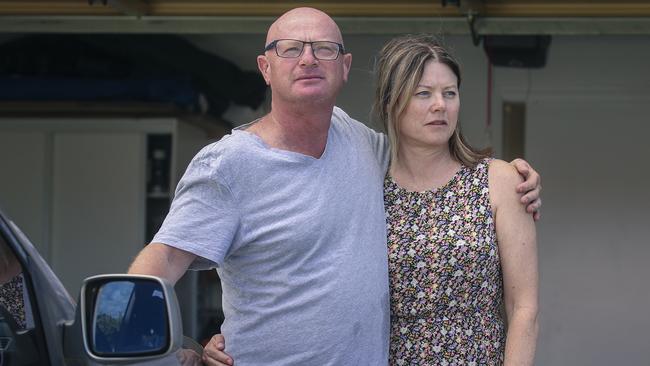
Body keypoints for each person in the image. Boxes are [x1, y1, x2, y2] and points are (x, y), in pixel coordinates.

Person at [128, 7, 542, 366]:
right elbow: (164, 258)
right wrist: (144, 344)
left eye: (323, 48)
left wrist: (513, 175)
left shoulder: (363, 146)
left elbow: (428, 155)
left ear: (344, 67)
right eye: (290, 48)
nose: (308, 58)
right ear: (265, 67)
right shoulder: (228, 165)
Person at [377, 35, 538, 364]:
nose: (440, 105)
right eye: (424, 93)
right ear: (392, 102)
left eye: (449, 93)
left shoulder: (499, 181)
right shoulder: (369, 184)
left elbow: (524, 309)